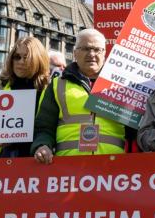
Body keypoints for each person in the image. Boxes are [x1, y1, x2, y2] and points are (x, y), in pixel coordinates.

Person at [32, 29, 126, 162]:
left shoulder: (121, 86)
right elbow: (44, 127)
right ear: (75, 53)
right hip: (69, 169)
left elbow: (137, 130)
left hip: (114, 168)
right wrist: (42, 145)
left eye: (97, 49)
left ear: (105, 53)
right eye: (86, 48)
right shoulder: (57, 85)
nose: (91, 54)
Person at [0, 36, 50, 159]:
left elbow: (48, 129)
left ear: (38, 59)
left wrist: (13, 139)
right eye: (17, 57)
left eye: (26, 58)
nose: (20, 62)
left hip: (34, 163)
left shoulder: (49, 90)